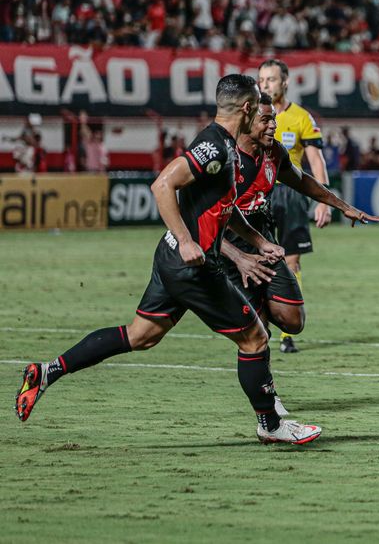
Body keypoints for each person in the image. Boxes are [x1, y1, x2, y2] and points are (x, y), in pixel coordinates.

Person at [15, 74, 323, 444]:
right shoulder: (215, 145)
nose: (263, 111)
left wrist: (255, 239)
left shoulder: (226, 145)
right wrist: (186, 239)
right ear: (246, 108)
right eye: (258, 104)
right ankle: (271, 426)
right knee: (255, 340)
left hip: (171, 260)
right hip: (192, 266)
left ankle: (47, 372)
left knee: (140, 335)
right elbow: (162, 185)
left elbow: (221, 207)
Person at [220, 95, 379, 394]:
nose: (273, 126)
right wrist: (237, 255)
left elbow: (302, 179)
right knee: (254, 335)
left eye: (274, 120)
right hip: (228, 249)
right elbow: (202, 214)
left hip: (264, 242)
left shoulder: (273, 152)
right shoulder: (223, 156)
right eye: (266, 120)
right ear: (246, 119)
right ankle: (268, 403)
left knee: (294, 320)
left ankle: (264, 328)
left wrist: (341, 205)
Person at [257, 59, 331, 354]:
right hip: (259, 193)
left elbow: (315, 160)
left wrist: (323, 200)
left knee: (291, 261)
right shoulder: (251, 114)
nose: (265, 85)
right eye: (262, 79)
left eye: (271, 79)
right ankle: (259, 325)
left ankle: (287, 332)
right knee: (256, 260)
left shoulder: (301, 117)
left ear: (285, 82)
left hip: (289, 196)